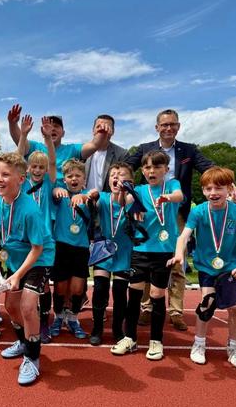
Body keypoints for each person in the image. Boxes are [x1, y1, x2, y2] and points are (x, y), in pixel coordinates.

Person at [125, 109, 216, 331]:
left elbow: (209, 167)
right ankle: (147, 308)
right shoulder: (145, 149)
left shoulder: (189, 150)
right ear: (157, 127)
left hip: (177, 214)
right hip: (149, 214)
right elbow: (125, 168)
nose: (168, 128)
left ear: (178, 126)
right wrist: (132, 199)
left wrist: (227, 181)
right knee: (148, 262)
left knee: (177, 265)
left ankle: (176, 311)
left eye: (172, 124)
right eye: (164, 124)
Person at [0, 152, 55, 385]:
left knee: (28, 306)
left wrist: (18, 275)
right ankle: (24, 341)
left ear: (21, 179)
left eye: (5, 175)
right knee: (11, 307)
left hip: (38, 259)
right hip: (12, 257)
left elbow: (37, 248)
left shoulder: (31, 209)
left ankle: (32, 357)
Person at [168, 167, 236, 368]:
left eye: (218, 188)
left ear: (229, 189)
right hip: (206, 267)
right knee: (207, 303)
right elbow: (183, 236)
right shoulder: (198, 211)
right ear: (203, 191)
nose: (213, 192)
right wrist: (179, 254)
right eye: (208, 188)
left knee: (235, 308)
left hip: (231, 268)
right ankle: (199, 344)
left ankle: (234, 347)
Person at [111, 151, 183, 360]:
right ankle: (130, 338)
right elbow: (125, 200)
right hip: (140, 250)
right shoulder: (140, 190)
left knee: (157, 295)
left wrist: (167, 198)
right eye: (148, 167)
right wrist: (126, 195)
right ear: (142, 171)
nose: (152, 171)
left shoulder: (171, 185)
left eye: (157, 167)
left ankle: (156, 340)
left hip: (163, 251)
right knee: (134, 295)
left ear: (166, 169)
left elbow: (179, 196)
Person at [84, 162, 135, 346]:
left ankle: (117, 329)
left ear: (130, 181)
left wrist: (125, 192)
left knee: (120, 292)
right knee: (99, 288)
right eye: (112, 174)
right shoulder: (103, 198)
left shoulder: (133, 199)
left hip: (124, 251)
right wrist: (91, 196)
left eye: (120, 174)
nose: (115, 177)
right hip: (104, 250)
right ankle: (97, 328)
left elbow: (128, 204)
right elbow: (92, 200)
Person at [17, 115, 57, 343]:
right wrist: (23, 134)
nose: (39, 170)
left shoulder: (49, 181)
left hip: (44, 239)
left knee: (44, 285)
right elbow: (17, 158)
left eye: (42, 167)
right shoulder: (22, 183)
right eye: (34, 166)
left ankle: (43, 323)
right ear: (28, 168)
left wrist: (48, 139)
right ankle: (27, 320)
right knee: (26, 283)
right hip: (25, 240)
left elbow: (53, 163)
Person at [7, 104, 106, 184]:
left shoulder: (72, 149)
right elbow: (20, 141)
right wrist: (12, 123)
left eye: (56, 126)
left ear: (63, 133)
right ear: (42, 132)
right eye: (48, 126)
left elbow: (94, 145)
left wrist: (102, 132)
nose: (52, 129)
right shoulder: (34, 147)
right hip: (36, 193)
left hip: (63, 196)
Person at [49, 159, 90, 340]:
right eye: (70, 176)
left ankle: (73, 319)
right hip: (61, 246)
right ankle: (58, 317)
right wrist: (56, 190)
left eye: (78, 176)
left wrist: (85, 197)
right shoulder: (60, 196)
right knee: (60, 287)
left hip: (81, 248)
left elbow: (95, 195)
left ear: (84, 179)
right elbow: (52, 193)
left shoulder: (88, 196)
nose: (74, 179)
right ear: (64, 179)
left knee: (77, 289)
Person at [84, 115, 129, 192]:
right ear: (93, 130)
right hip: (84, 197)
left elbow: (125, 181)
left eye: (107, 127)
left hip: (107, 198)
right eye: (99, 127)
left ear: (113, 132)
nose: (102, 130)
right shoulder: (83, 151)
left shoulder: (122, 154)